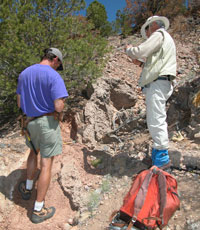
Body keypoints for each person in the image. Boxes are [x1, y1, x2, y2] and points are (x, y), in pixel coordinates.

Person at [16, 48, 69, 223]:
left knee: (33, 153)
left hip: (30, 122)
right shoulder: (54, 77)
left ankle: (28, 188)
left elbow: (19, 102)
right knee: (46, 164)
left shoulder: (24, 74)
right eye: (58, 64)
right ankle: (38, 209)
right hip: (47, 123)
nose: (57, 68)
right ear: (55, 59)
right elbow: (59, 106)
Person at [125, 16, 176, 170]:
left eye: (147, 30)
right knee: (156, 118)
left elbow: (141, 50)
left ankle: (162, 159)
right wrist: (141, 63)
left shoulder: (159, 34)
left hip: (158, 83)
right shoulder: (164, 39)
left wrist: (129, 50)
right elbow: (155, 62)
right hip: (162, 82)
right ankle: (157, 156)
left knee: (156, 119)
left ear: (153, 25)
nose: (147, 34)